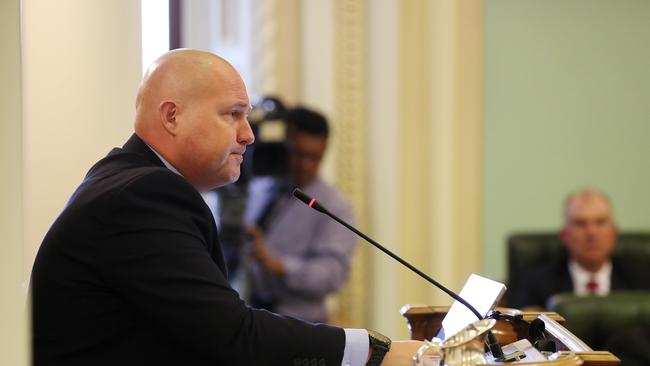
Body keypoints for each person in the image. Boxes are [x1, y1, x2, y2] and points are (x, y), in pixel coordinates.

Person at [30, 49, 421, 366]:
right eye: (232, 114)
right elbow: (233, 337)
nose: (248, 135)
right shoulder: (145, 195)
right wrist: (373, 352)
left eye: (247, 117)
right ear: (172, 116)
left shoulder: (126, 178)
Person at [243, 107, 357, 323]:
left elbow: (330, 276)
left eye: (314, 156)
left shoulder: (335, 206)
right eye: (298, 153)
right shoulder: (258, 190)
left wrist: (277, 264)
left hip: (301, 324)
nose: (305, 164)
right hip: (249, 316)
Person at [512, 189, 650, 309]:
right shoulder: (537, 285)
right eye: (580, 224)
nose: (592, 233)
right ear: (564, 235)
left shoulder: (641, 283)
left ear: (614, 233)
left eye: (600, 222)